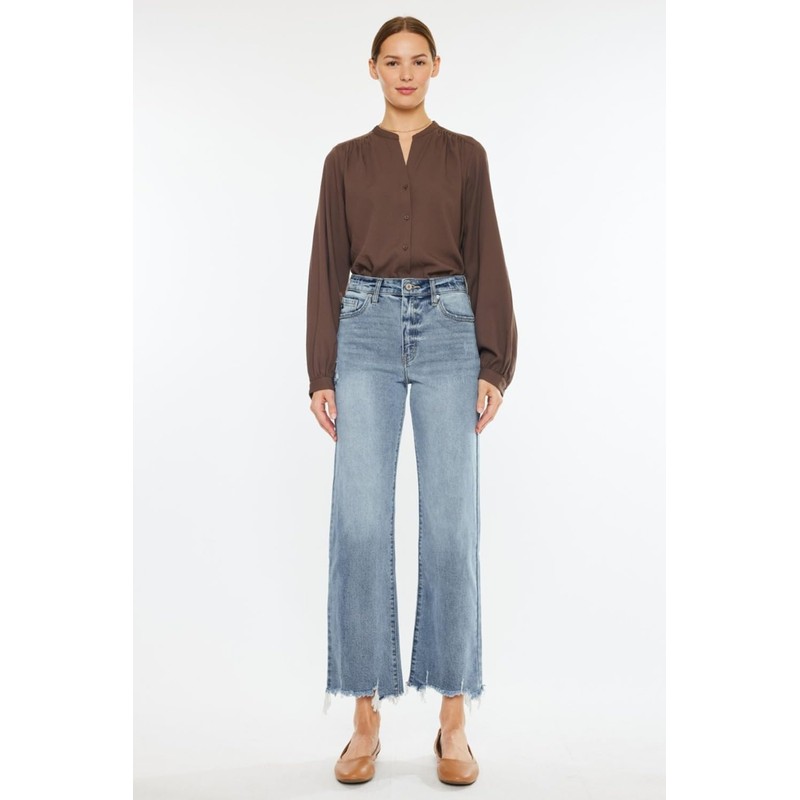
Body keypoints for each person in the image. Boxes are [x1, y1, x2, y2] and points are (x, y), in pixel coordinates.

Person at [306, 16, 518, 786]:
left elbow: (485, 253)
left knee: (452, 527)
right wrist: (321, 371)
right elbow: (328, 262)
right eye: (391, 61)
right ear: (372, 68)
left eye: (417, 60)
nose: (405, 73)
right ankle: (364, 716)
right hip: (362, 329)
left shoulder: (466, 156)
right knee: (360, 525)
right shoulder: (344, 161)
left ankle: (453, 718)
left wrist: (494, 362)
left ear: (435, 67)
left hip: (449, 331)